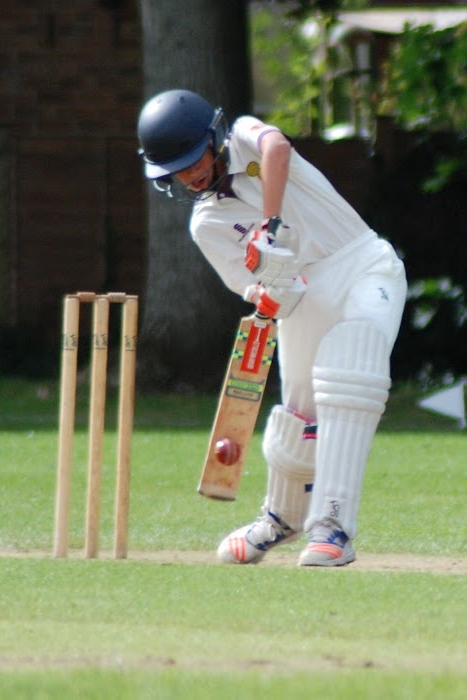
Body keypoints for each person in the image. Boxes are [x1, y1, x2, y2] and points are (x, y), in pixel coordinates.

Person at [136, 89, 407, 567]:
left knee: (352, 366)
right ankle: (282, 518)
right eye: (177, 170)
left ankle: (332, 526)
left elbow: (277, 147)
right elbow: (256, 291)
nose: (190, 175)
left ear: (213, 139)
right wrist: (271, 290)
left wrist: (270, 223)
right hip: (303, 299)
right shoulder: (206, 224)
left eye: (193, 160)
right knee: (300, 413)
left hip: (363, 265)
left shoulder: (245, 136)